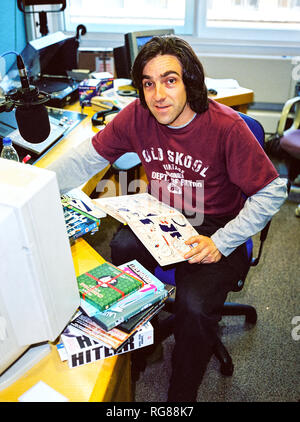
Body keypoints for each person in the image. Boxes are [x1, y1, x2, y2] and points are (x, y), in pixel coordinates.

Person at [48, 36, 287, 401]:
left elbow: (272, 191)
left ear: (189, 82)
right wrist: (37, 186)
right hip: (164, 218)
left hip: (217, 227)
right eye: (148, 83)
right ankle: (143, 345)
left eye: (170, 80)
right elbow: (86, 159)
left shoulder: (226, 128)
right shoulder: (138, 116)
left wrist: (222, 242)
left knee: (193, 307)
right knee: (122, 246)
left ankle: (181, 394)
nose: (158, 94)